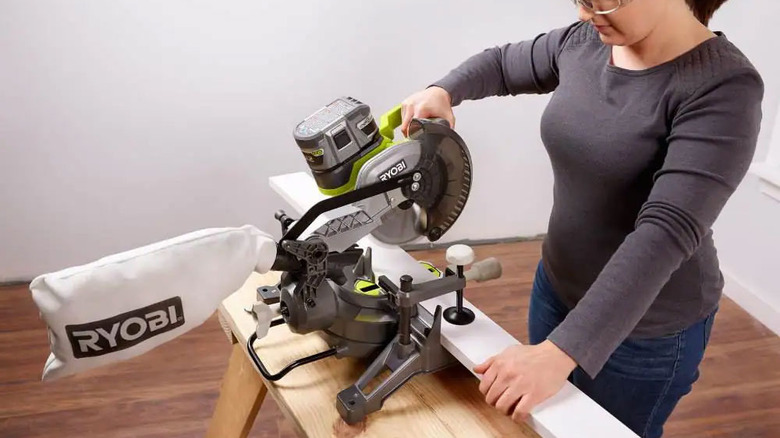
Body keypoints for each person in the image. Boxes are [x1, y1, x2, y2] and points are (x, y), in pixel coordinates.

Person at [400, 0, 764, 437]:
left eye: (603, 0)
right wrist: (443, 90)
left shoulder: (724, 87)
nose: (587, 13)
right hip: (556, 290)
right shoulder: (586, 40)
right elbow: (500, 64)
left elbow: (666, 231)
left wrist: (560, 352)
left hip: (648, 333)